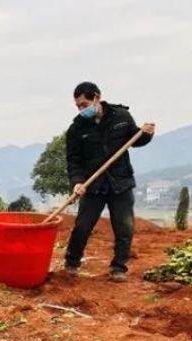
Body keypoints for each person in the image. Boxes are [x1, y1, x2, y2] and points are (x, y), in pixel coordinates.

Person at [64, 82, 155, 282]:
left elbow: (135, 139)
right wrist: (77, 182)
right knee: (82, 226)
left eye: (84, 104)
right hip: (93, 185)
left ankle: (118, 267)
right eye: (78, 106)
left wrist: (146, 133)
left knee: (124, 227)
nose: (82, 109)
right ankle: (71, 263)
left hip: (120, 183)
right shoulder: (76, 129)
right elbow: (74, 161)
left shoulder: (121, 116)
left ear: (97, 97)